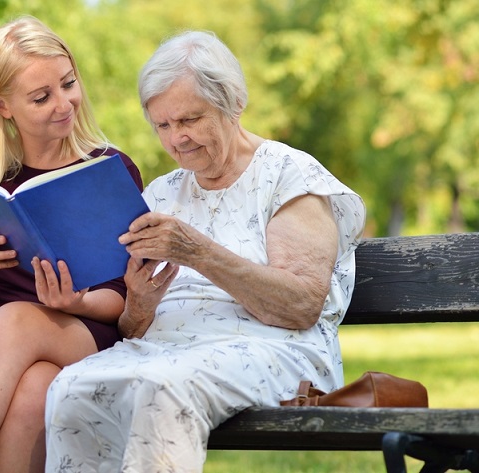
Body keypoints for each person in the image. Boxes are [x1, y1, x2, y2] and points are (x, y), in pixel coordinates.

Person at [44, 30, 366, 472]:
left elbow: (301, 305)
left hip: (274, 350)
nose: (177, 139)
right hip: (162, 352)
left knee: (163, 387)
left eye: (190, 119)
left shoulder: (289, 176)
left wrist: (199, 252)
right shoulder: (160, 193)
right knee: (72, 387)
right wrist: (139, 304)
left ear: (233, 103)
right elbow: (133, 329)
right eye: (163, 125)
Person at [0, 16, 144, 473]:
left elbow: (126, 302)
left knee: (13, 319)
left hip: (94, 340)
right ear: (2, 106)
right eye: (41, 97)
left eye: (68, 84)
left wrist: (78, 302)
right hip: (15, 362)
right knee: (31, 392)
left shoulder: (110, 168)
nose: (63, 104)